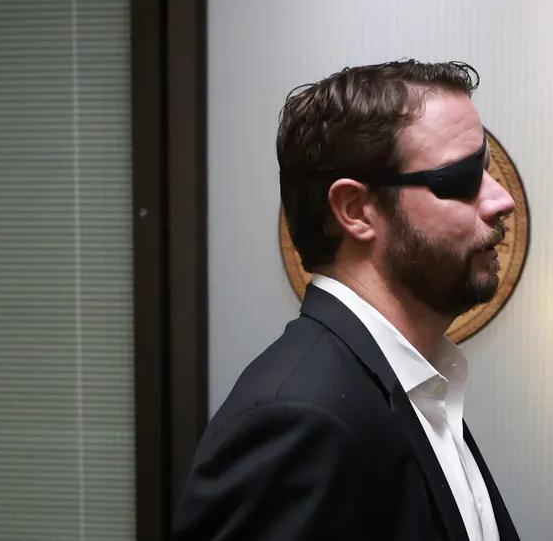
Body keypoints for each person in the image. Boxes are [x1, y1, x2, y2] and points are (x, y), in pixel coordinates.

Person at [172, 59, 520, 541]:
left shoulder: (416, 387)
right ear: (356, 210)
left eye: (485, 168)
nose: (502, 200)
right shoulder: (300, 420)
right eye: (461, 178)